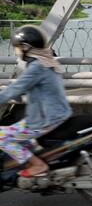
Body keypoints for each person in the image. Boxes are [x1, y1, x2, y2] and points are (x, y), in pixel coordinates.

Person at [0, 25, 72, 178]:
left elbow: (16, 88)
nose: (16, 51)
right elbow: (27, 86)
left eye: (17, 47)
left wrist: (7, 94)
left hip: (45, 119)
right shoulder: (46, 60)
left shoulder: (36, 67)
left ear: (26, 47)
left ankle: (38, 165)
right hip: (57, 113)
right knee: (16, 134)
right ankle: (25, 162)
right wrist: (13, 91)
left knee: (1, 137)